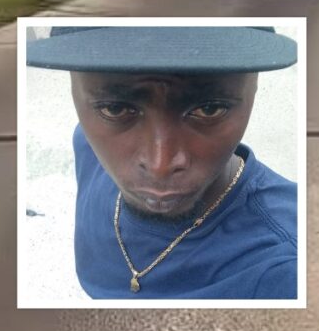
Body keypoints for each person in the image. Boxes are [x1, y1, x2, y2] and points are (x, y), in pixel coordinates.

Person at [25, 25, 298, 300]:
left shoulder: (285, 270)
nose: (160, 164)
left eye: (209, 108)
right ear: (74, 93)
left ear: (254, 92)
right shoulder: (87, 146)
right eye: (115, 108)